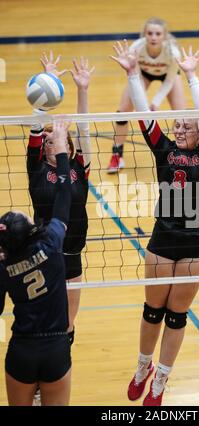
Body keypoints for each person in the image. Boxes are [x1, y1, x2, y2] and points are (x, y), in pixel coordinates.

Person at [110, 41, 199, 406]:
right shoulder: (164, 149)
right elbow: (144, 114)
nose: (182, 124)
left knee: (176, 316)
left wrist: (191, 75)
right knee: (152, 311)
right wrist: (131, 75)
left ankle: (161, 382)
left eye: (188, 124)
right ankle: (143, 368)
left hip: (194, 247)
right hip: (162, 241)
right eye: (178, 122)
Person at [0, 121, 72, 406]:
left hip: (22, 350)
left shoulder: (4, 268)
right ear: (31, 229)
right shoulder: (51, 242)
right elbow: (64, 196)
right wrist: (62, 148)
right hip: (55, 346)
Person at [27, 51, 94, 346]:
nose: (55, 141)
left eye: (60, 139)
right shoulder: (37, 169)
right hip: (43, 254)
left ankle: (59, 371)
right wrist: (47, 83)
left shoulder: (79, 169)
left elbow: (83, 129)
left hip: (72, 256)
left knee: (67, 324)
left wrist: (82, 89)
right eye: (50, 139)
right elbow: (35, 128)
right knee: (41, 320)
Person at [107, 17, 186, 173]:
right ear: (144, 34)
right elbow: (133, 77)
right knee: (122, 112)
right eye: (150, 33)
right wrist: (143, 104)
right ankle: (117, 155)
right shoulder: (136, 48)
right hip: (143, 74)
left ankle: (182, 156)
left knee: (182, 117)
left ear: (164, 36)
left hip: (168, 77)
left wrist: (156, 102)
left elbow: (169, 80)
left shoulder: (173, 51)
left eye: (158, 34)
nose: (153, 37)